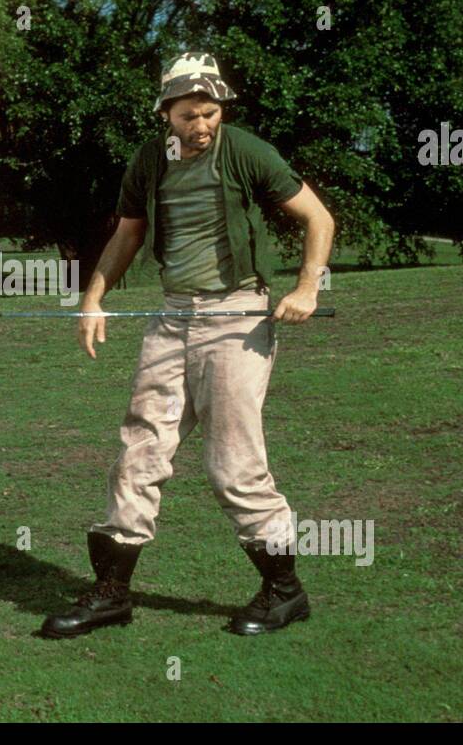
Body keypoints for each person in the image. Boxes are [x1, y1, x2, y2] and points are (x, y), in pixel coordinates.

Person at [41, 52, 335, 639]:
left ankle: (284, 591)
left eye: (210, 113)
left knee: (233, 464)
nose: (201, 126)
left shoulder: (246, 151)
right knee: (140, 451)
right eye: (188, 116)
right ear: (165, 115)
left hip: (237, 316)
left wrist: (307, 287)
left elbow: (318, 217)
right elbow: (129, 231)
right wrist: (94, 295)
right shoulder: (151, 160)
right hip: (171, 317)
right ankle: (112, 594)